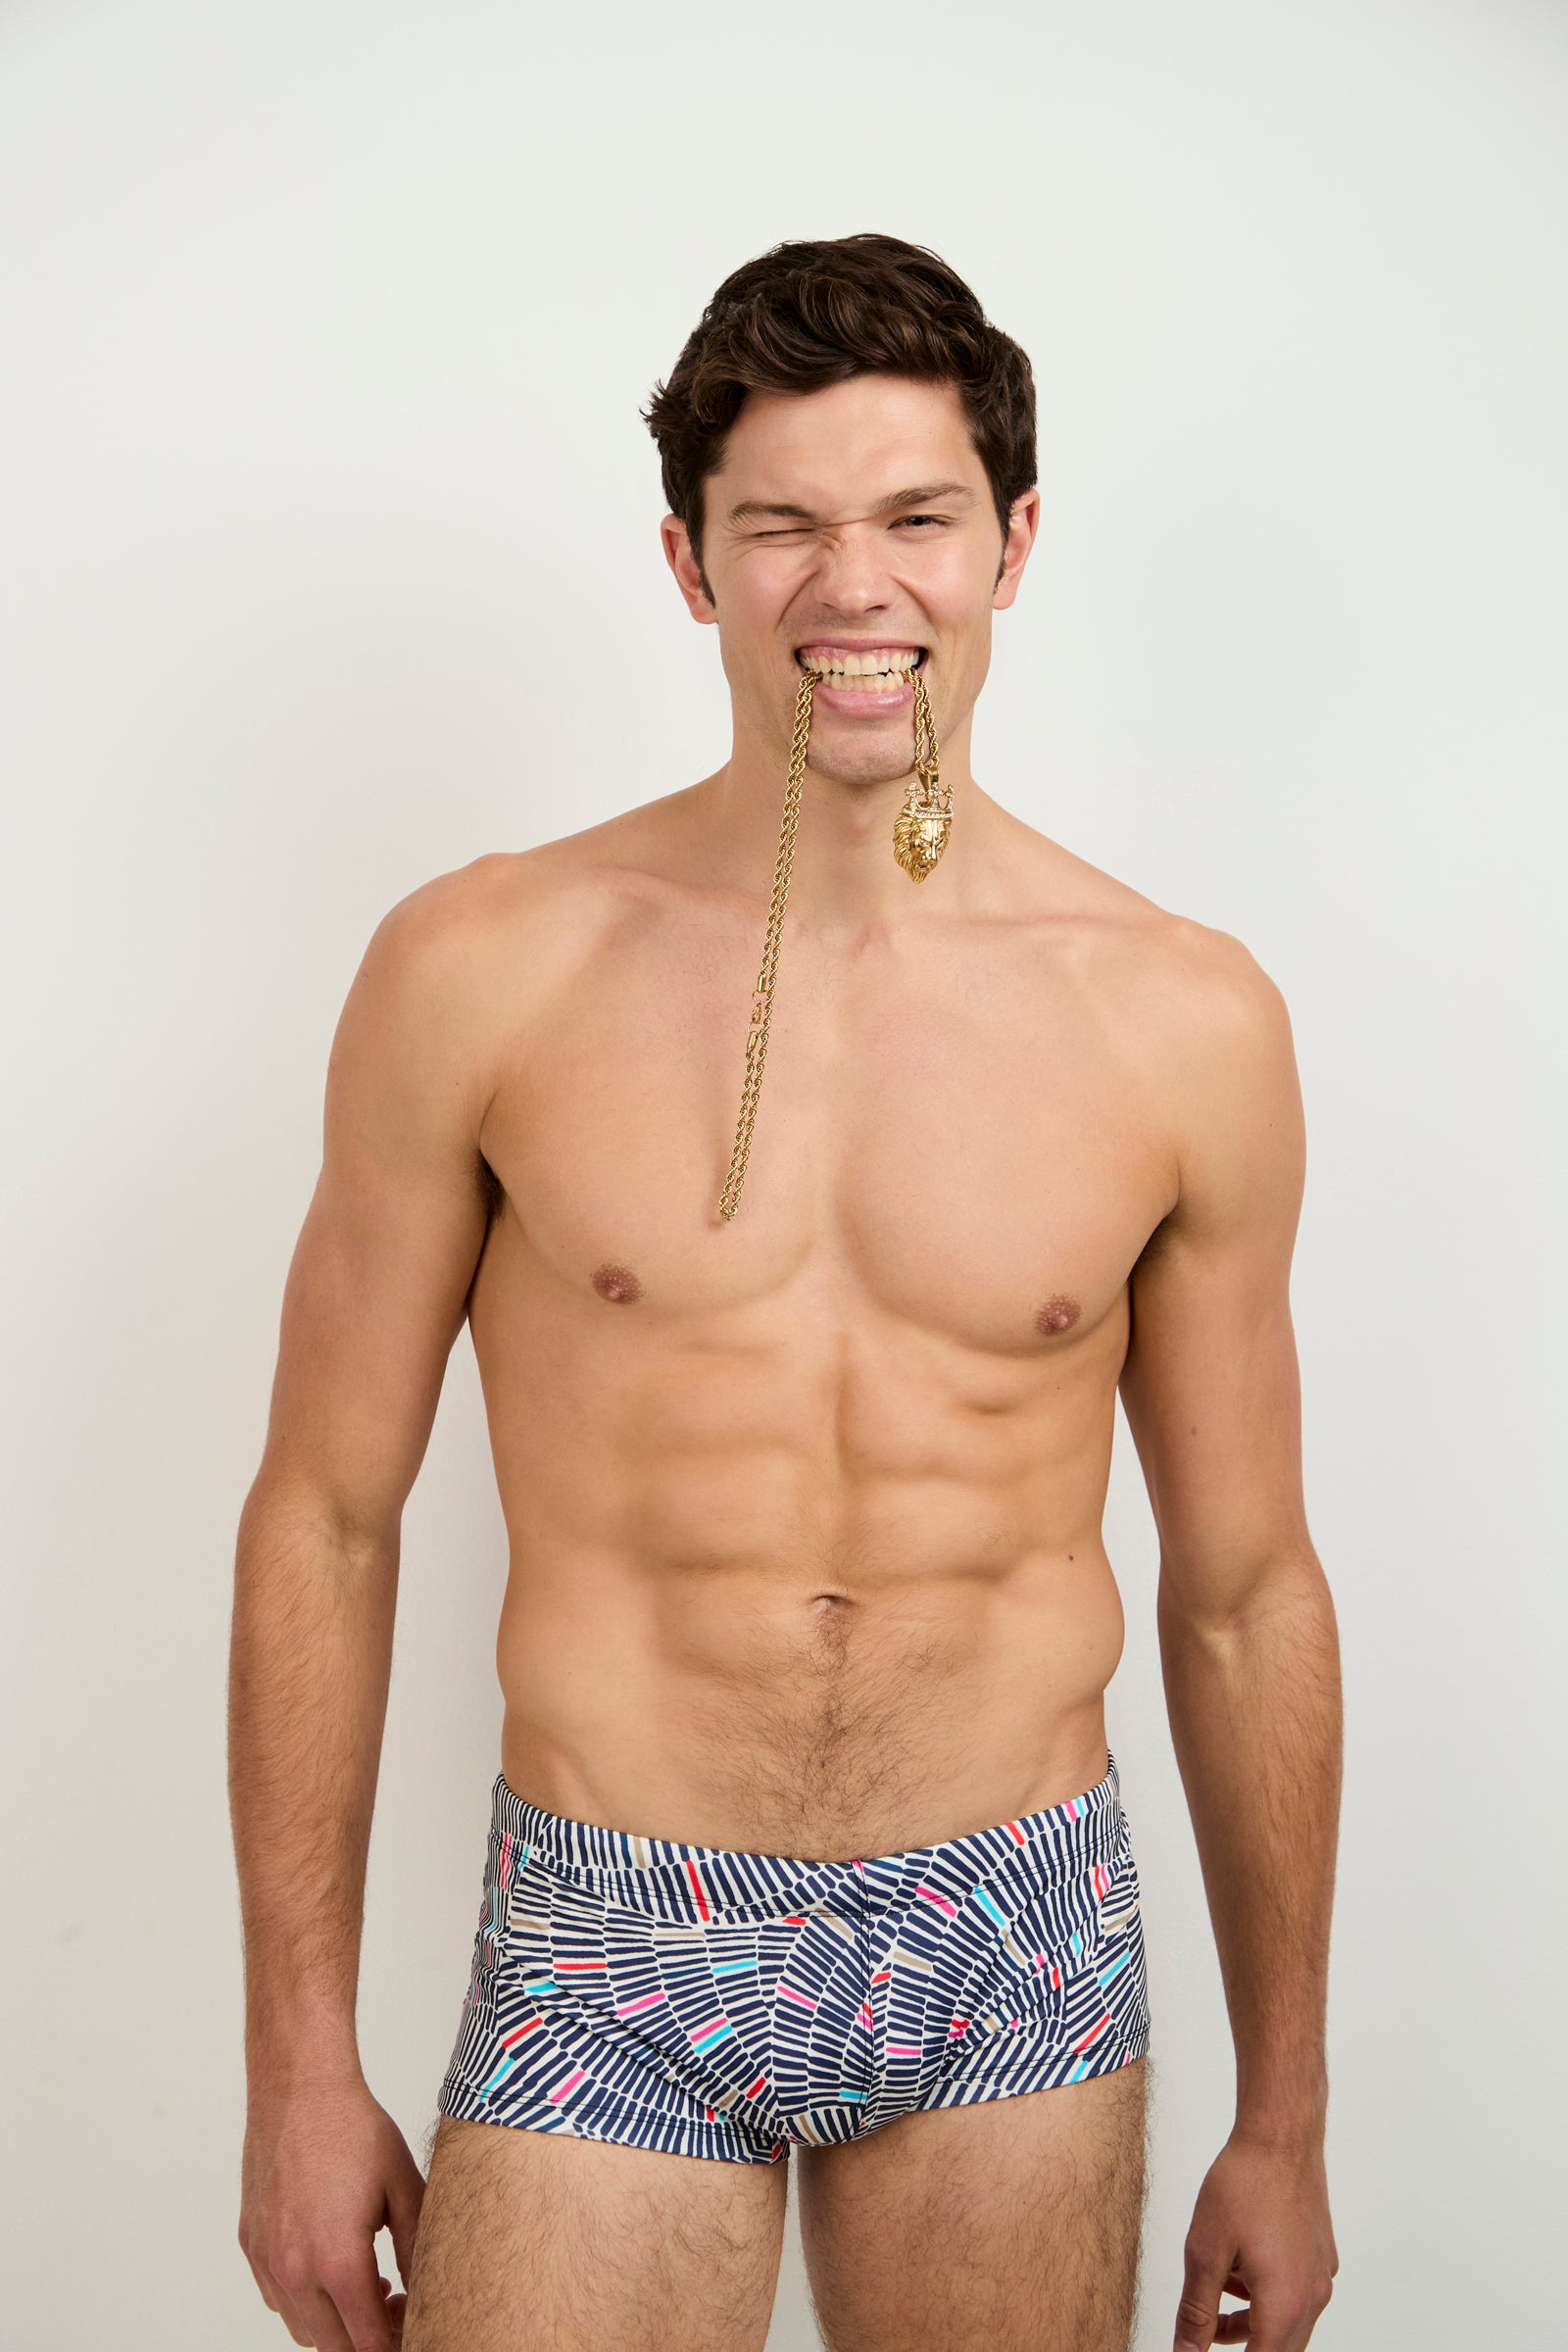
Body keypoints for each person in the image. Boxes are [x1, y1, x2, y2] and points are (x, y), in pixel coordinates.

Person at [229, 232, 1342, 2352]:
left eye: (917, 518)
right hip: (614, 1927)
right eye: (782, 527)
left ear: (1012, 545)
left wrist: (1284, 2114)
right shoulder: (483, 966)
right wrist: (295, 2066)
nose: (856, 587)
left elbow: (1243, 1590)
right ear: (689, 563)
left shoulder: (1182, 1019)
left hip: (1008, 1926)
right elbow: (327, 1515)